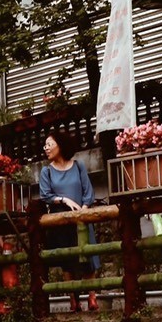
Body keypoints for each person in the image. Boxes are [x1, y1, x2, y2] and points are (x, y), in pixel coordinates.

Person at [37, 130, 97, 311]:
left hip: (82, 218)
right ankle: (73, 299)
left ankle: (92, 297)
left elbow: (88, 192)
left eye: (49, 144)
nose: (46, 148)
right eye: (45, 145)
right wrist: (65, 200)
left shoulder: (78, 166)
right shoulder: (46, 172)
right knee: (68, 262)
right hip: (61, 221)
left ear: (60, 145)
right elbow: (46, 195)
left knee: (88, 258)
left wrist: (83, 211)